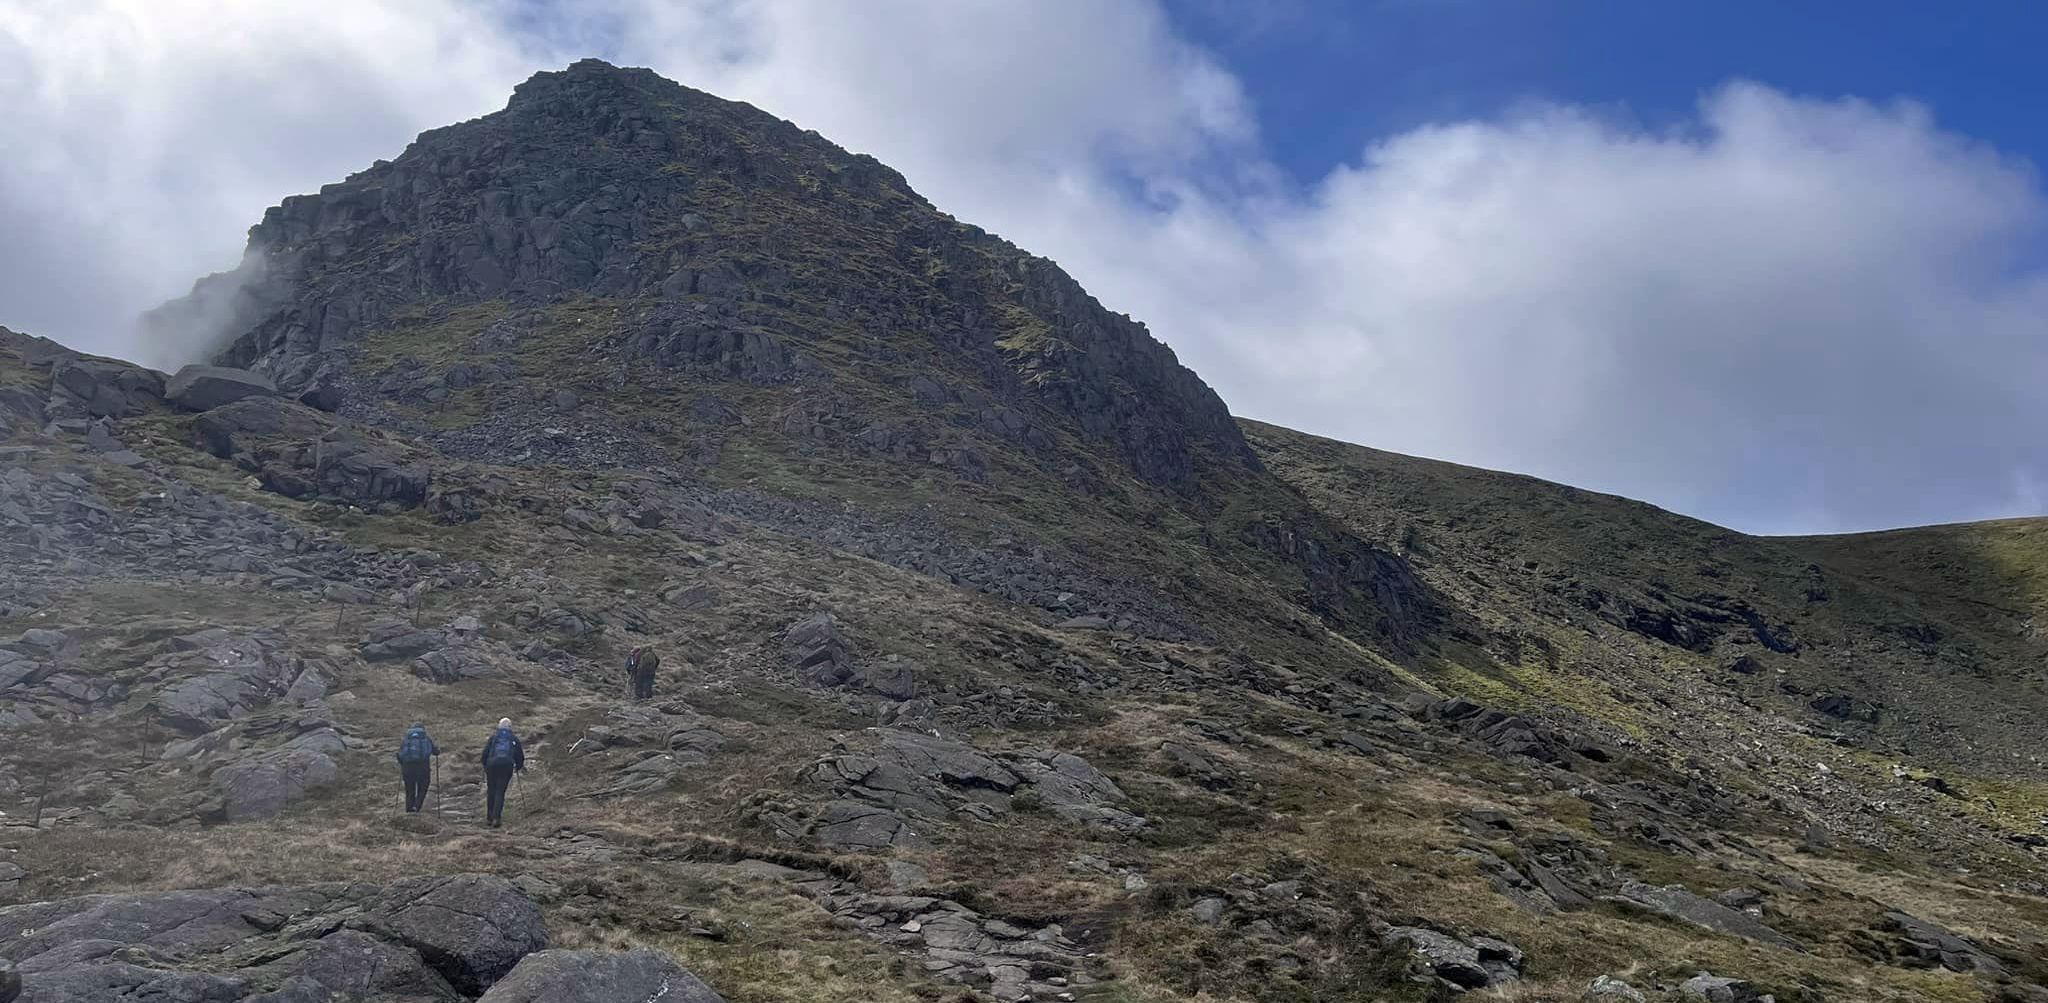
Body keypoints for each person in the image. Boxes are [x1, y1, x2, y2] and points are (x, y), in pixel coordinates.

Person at [479, 717, 525, 828]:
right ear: (510, 727)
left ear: (499, 726)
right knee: (500, 791)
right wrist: (518, 767)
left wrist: (485, 764)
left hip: (492, 765)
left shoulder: (494, 738)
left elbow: (485, 754)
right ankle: (496, 818)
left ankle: (489, 817)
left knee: (491, 790)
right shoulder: (513, 739)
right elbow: (520, 756)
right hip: (506, 766)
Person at [395, 723, 439, 813]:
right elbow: (436, 752)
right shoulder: (426, 738)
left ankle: (409, 809)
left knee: (409, 789)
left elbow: (399, 755)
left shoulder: (406, 740)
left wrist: (403, 764)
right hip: (423, 767)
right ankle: (417, 806)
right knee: (422, 788)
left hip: (407, 768)